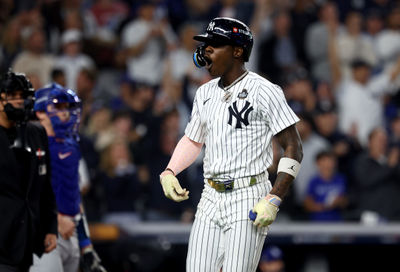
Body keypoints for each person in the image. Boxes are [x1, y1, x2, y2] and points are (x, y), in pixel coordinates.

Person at [159, 17, 303, 271]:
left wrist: (274, 198)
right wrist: (170, 171)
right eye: (206, 46)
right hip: (210, 195)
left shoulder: (265, 90)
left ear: (237, 51)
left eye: (214, 45)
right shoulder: (204, 92)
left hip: (248, 193)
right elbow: (193, 139)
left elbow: (293, 147)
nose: (206, 51)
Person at [31, 84, 106, 272]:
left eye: (66, 107)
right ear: (40, 112)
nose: (64, 113)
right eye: (58, 107)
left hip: (71, 232)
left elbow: (74, 196)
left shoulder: (70, 146)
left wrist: (86, 244)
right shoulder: (30, 146)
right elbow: (24, 195)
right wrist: (55, 220)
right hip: (42, 231)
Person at [0, 70, 57, 271]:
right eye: (12, 96)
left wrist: (51, 228)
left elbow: (45, 185)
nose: (19, 101)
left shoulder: (36, 132)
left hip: (29, 238)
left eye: (22, 96)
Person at [303, 151, 348, 222]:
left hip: (337, 221)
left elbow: (346, 201)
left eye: (330, 161)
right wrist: (324, 207)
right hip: (318, 222)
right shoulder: (313, 181)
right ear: (318, 163)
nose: (328, 164)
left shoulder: (341, 179)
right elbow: (307, 204)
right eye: (324, 161)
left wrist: (339, 201)